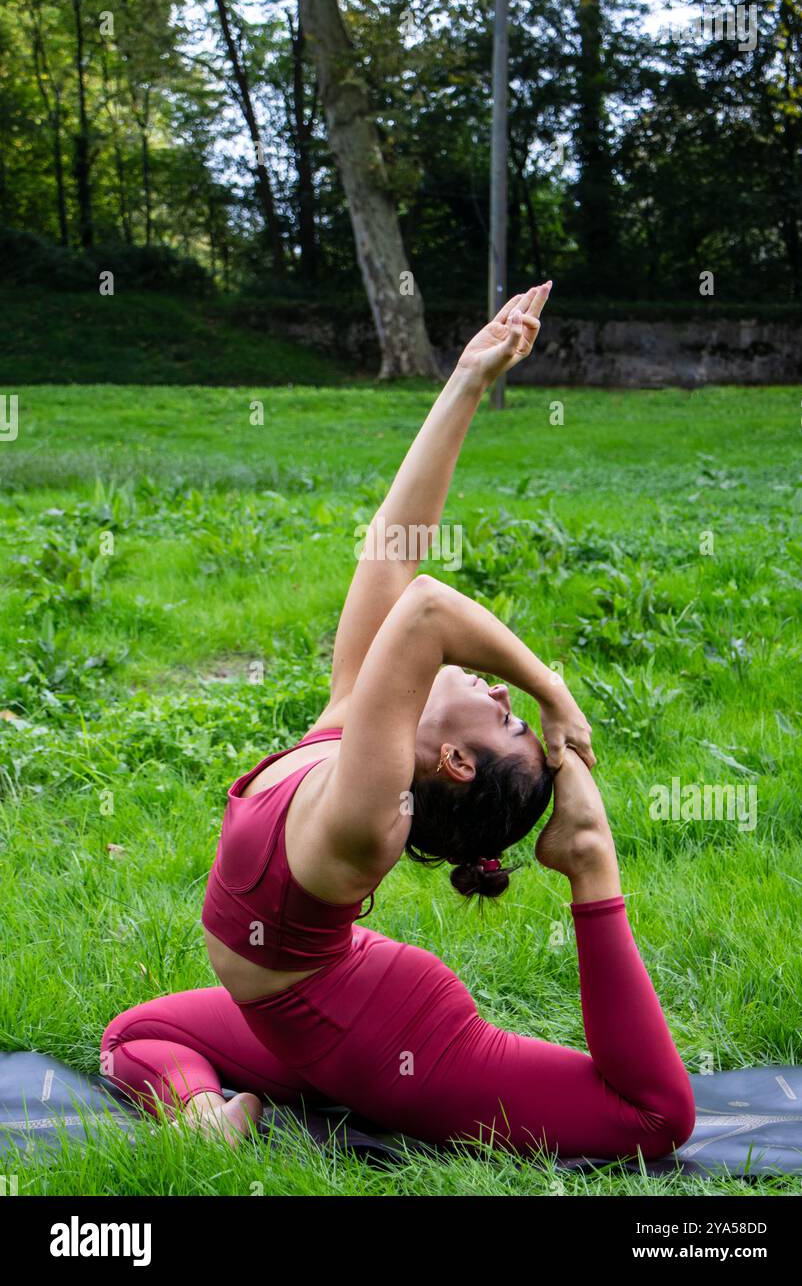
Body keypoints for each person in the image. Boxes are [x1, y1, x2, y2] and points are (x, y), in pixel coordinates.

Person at [101, 283, 695, 1161]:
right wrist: (467, 377)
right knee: (134, 1034)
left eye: (504, 721)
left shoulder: (365, 811)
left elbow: (424, 612)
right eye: (510, 706)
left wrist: (549, 693)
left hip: (387, 1042)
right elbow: (395, 550)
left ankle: (588, 859)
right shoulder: (358, 733)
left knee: (649, 1121)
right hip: (307, 1008)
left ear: (454, 761)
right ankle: (206, 1120)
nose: (503, 699)